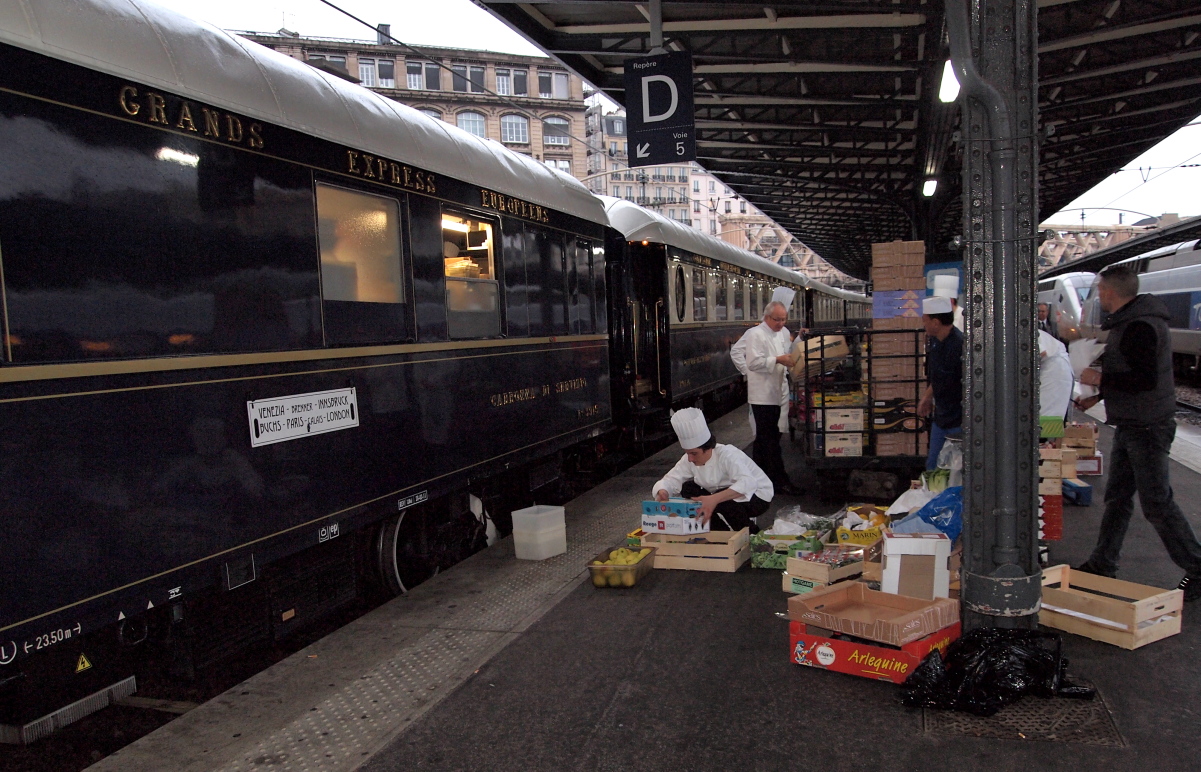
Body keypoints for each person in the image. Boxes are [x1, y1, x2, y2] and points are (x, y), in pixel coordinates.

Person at [1073, 266, 1201, 600]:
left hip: (1147, 426)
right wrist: (1098, 397)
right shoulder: (1131, 322)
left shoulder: (1139, 326)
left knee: (1156, 502)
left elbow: (1144, 380)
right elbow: (1131, 377)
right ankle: (1103, 561)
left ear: (1108, 292)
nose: (1099, 295)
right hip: (1134, 422)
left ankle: (1198, 566)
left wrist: (1102, 382)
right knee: (1117, 498)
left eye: (1100, 289)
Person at [652, 408, 774, 532]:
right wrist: (663, 491)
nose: (690, 458)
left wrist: (714, 499)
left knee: (722, 503)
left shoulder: (727, 454)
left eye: (694, 453)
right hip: (719, 492)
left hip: (758, 495)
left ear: (708, 448)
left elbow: (748, 483)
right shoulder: (689, 458)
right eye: (687, 453)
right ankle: (719, 533)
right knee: (689, 489)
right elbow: (671, 478)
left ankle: (750, 532)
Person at [742, 296, 803, 495]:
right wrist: (777, 359)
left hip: (779, 392)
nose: (781, 323)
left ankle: (759, 481)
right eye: (777, 319)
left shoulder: (783, 333)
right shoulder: (755, 334)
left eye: (784, 319)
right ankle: (779, 480)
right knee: (769, 440)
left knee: (765, 441)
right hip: (762, 395)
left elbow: (789, 351)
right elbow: (753, 363)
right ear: (767, 317)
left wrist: (800, 339)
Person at [917, 295, 963, 470]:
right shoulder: (935, 342)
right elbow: (938, 376)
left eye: (925, 321)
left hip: (958, 418)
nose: (924, 325)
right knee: (933, 464)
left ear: (936, 322)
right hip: (941, 417)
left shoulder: (959, 345)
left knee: (953, 467)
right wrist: (927, 397)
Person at [1038, 329, 1074, 420]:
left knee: (1046, 412)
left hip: (1054, 372)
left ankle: (1045, 434)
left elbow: (1041, 352)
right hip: (1051, 368)